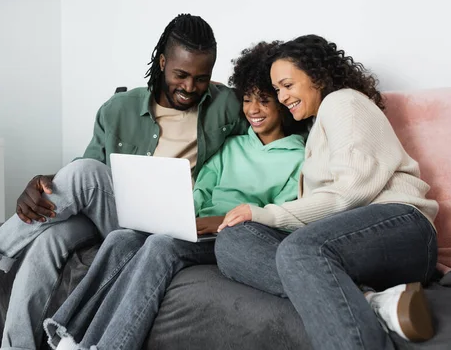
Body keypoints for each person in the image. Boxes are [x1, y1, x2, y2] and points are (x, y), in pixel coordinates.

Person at [0, 14, 248, 350]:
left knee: (81, 179)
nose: (190, 87)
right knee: (48, 240)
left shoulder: (225, 105)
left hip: (168, 228)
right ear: (163, 62)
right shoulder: (118, 108)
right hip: (115, 211)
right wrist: (46, 185)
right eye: (181, 75)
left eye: (201, 78)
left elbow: (270, 127)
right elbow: (87, 167)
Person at [43, 41, 309, 350]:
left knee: (160, 245)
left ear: (281, 103)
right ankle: (69, 337)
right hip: (194, 226)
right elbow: (201, 190)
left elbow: (280, 216)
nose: (252, 110)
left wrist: (215, 221)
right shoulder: (232, 145)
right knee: (121, 238)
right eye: (247, 100)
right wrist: (179, 216)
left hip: (232, 234)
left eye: (263, 101)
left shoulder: (298, 156)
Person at [214, 35, 438, 349]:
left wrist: (266, 213)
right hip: (352, 244)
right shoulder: (317, 128)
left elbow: (350, 193)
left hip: (404, 228)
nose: (282, 97)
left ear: (317, 76)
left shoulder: (343, 101)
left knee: (299, 251)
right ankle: (369, 300)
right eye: (277, 89)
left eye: (287, 85)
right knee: (231, 243)